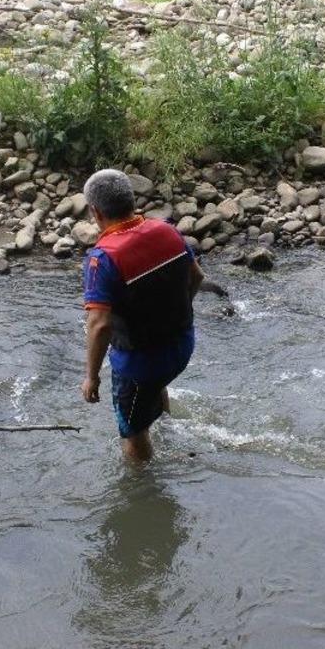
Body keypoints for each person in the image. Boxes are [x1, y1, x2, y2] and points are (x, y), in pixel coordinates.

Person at [81, 169, 203, 462]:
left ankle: (145, 484)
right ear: (131, 200)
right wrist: (176, 315)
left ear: (95, 212)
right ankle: (168, 427)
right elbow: (197, 277)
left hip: (139, 365)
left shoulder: (102, 259)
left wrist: (91, 378)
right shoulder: (166, 231)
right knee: (154, 385)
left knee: (134, 436)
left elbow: (99, 326)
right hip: (182, 346)